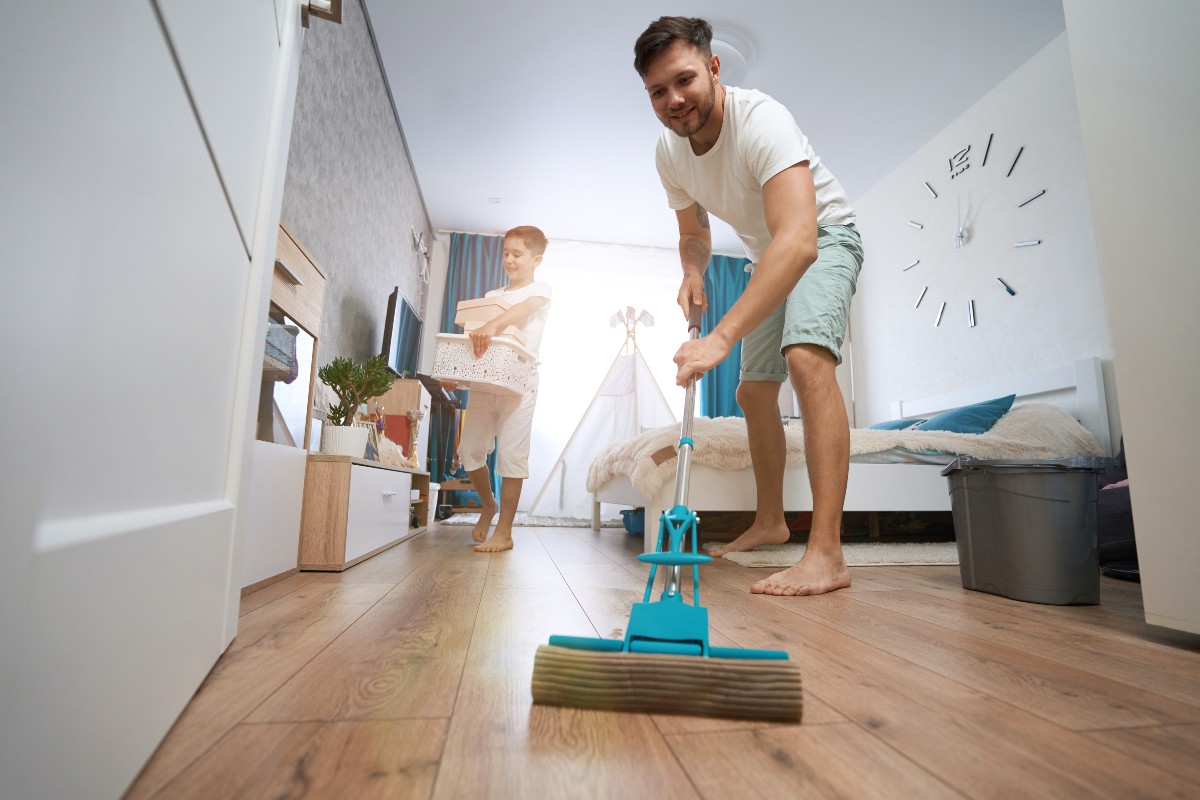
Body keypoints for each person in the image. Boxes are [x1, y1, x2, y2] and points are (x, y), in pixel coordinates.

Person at [634, 17, 863, 596]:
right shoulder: (670, 153)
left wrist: (720, 336)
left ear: (713, 68)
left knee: (807, 360)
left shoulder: (762, 121)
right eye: (658, 91)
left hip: (826, 234)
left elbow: (800, 241)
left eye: (683, 80)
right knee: (753, 390)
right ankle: (769, 521)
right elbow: (694, 232)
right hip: (769, 257)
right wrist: (691, 268)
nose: (673, 100)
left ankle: (827, 554)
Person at [450, 225, 552, 552]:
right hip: (485, 381)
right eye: (505, 253)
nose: (509, 259)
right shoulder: (492, 297)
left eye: (517, 254)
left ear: (536, 258)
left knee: (512, 456)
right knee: (469, 451)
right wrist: (456, 372)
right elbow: (474, 339)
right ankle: (488, 505)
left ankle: (504, 532)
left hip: (519, 384)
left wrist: (493, 324)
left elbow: (523, 310)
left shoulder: (541, 289)